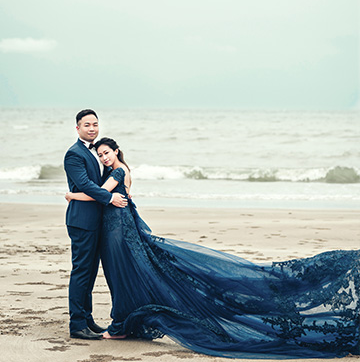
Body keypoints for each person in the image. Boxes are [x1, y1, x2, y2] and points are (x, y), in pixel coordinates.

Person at [65, 137, 360, 358]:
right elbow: (106, 194)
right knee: (129, 276)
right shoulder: (113, 170)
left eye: (106, 152)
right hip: (118, 228)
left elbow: (102, 193)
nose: (103, 157)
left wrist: (71, 195)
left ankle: (120, 325)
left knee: (128, 275)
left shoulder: (117, 172)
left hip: (120, 231)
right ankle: (122, 323)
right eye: (100, 154)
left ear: (116, 151)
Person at [64, 110, 128, 340]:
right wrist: (109, 198)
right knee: (81, 272)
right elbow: (84, 185)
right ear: (78, 128)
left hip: (96, 220)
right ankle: (77, 324)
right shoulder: (74, 154)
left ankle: (87, 319)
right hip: (82, 221)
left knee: (90, 273)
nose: (92, 128)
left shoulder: (95, 152)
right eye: (87, 125)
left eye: (95, 124)